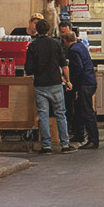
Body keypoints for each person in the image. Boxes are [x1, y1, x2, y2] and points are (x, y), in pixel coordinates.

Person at [24, 18, 74, 154]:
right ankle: (65, 144)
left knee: (43, 115)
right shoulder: (56, 44)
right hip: (56, 83)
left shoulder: (32, 46)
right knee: (60, 114)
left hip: (40, 84)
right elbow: (64, 65)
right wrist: (68, 81)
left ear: (37, 30)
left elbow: (28, 68)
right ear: (49, 30)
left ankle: (46, 146)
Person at [63, 29, 99, 149]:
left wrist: (70, 82)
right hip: (90, 81)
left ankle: (93, 139)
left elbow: (78, 67)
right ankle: (79, 134)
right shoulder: (81, 46)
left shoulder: (73, 50)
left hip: (84, 83)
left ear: (65, 41)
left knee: (87, 111)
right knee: (79, 109)